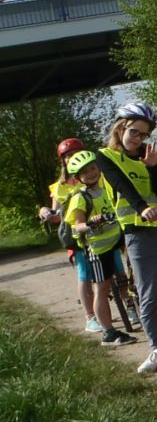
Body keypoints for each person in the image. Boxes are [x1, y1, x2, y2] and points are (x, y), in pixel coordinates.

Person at [97, 102, 157, 374]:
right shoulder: (106, 156)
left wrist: (153, 167)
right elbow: (121, 185)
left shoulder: (151, 155)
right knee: (147, 295)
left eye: (144, 134)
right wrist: (141, 208)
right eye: (134, 132)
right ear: (120, 128)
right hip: (139, 234)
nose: (138, 138)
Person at [63, 150, 136, 347]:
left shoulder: (105, 189)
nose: (91, 173)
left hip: (115, 243)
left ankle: (132, 310)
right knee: (101, 288)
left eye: (93, 168)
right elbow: (77, 226)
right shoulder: (81, 198)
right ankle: (108, 332)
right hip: (97, 249)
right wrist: (91, 223)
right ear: (78, 177)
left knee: (123, 279)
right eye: (85, 172)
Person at [41, 137, 99, 333]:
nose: (72, 157)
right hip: (77, 235)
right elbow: (57, 214)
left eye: (75, 153)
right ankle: (90, 316)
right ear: (63, 161)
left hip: (102, 229)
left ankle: (128, 306)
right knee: (85, 274)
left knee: (116, 270)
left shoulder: (96, 175)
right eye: (67, 156)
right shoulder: (60, 186)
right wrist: (46, 212)